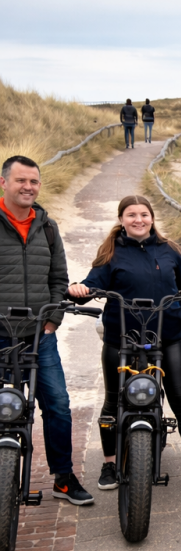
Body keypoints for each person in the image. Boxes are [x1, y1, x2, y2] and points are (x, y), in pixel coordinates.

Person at [67, 195, 181, 493]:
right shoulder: (111, 252)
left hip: (168, 337)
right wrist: (78, 290)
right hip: (121, 339)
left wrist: (179, 314)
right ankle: (110, 463)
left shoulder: (169, 249)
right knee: (113, 402)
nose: (139, 220)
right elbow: (93, 284)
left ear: (152, 218)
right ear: (121, 219)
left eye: (144, 214)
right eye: (131, 215)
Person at [0, 156, 93, 505]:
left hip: (39, 336)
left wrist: (53, 320)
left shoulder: (48, 227)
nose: (28, 187)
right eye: (20, 180)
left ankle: (63, 479)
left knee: (57, 405)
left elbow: (58, 279)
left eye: (33, 181)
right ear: (3, 183)